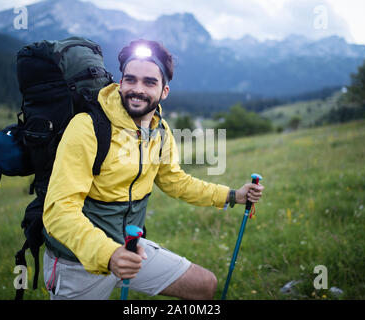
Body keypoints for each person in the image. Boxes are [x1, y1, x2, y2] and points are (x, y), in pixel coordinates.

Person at [42, 39, 264, 300]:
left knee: (204, 286)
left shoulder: (160, 131)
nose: (137, 89)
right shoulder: (87, 127)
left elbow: (176, 181)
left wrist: (232, 195)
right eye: (130, 79)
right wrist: (109, 254)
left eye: (149, 82)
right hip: (78, 262)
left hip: (131, 249)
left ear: (164, 91)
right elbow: (59, 210)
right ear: (120, 82)